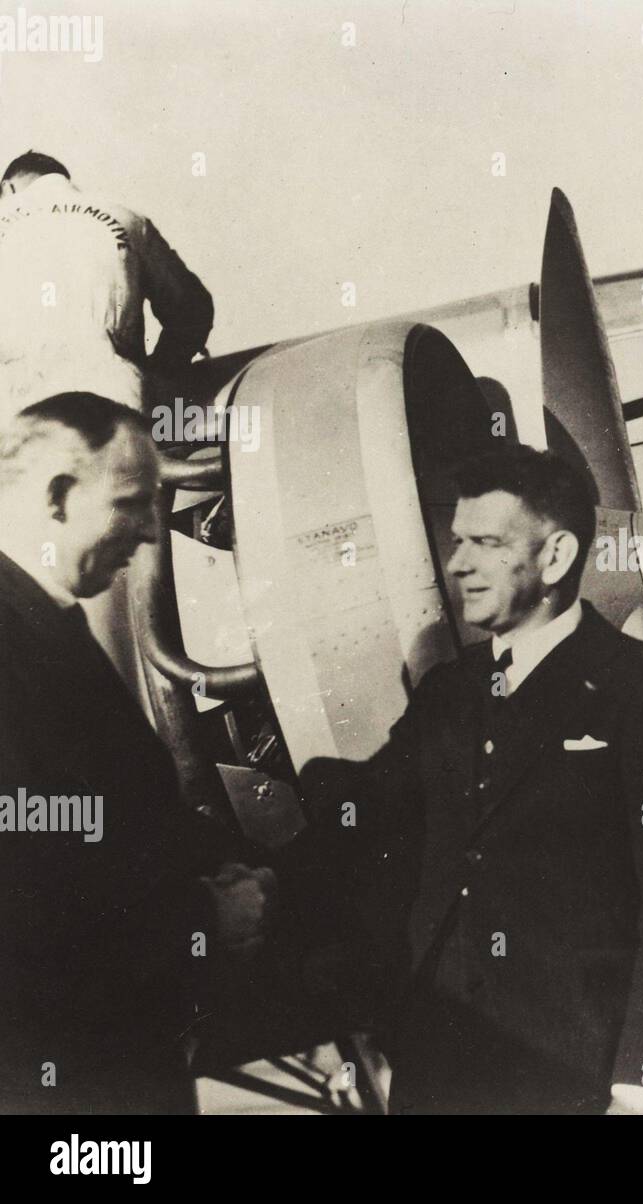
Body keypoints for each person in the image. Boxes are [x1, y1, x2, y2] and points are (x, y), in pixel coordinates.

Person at [303, 444, 643, 1115]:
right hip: (438, 1072)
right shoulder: (448, 693)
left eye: (486, 543)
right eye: (457, 541)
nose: (457, 563)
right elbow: (363, 816)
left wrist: (641, 1089)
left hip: (573, 1074)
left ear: (555, 557)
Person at [0, 393, 274, 1114]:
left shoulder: (45, 627)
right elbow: (23, 901)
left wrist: (242, 867)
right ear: (58, 497)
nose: (152, 530)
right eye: (130, 503)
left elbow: (122, 821)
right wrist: (204, 921)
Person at [0, 152, 213, 418]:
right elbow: (192, 308)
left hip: (15, 412)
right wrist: (159, 375)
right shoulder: (126, 216)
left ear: (8, 187)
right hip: (117, 403)